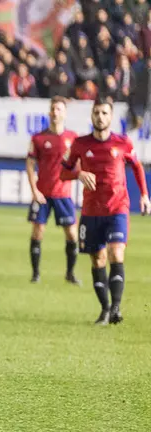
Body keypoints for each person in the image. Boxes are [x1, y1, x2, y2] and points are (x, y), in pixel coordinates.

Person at [61, 97, 150, 325]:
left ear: (111, 117)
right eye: (97, 113)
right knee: (97, 259)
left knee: (116, 253)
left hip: (117, 207)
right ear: (92, 115)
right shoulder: (80, 144)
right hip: (91, 211)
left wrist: (144, 195)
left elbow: (137, 167)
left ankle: (116, 308)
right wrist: (78, 174)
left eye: (104, 113)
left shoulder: (123, 143)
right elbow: (63, 172)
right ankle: (105, 309)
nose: (100, 117)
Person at [26, 96, 81, 285]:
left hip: (63, 194)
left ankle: (70, 273)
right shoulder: (38, 138)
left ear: (65, 113)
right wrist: (34, 190)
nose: (55, 112)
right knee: (38, 232)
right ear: (49, 112)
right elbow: (30, 164)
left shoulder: (73, 138)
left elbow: (79, 164)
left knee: (72, 234)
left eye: (59, 109)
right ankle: (35, 274)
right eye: (53, 109)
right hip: (42, 194)